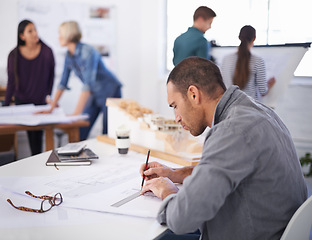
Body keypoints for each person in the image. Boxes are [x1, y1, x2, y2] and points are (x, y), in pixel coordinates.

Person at [140, 57, 307, 240]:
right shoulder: (258, 111)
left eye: (175, 106)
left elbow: (182, 219)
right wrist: (175, 173)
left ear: (193, 94)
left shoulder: (231, 131)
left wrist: (167, 191)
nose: (177, 117)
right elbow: (230, 170)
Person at [42, 21, 122, 140]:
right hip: (94, 94)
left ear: (68, 34)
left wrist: (75, 115)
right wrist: (51, 107)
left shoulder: (88, 52)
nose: (58, 37)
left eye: (60, 33)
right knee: (80, 132)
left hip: (110, 91)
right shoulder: (69, 56)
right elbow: (63, 83)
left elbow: (87, 85)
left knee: (107, 133)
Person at [4, 19, 55, 155]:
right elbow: (11, 82)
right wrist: (6, 106)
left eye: (35, 29)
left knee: (37, 140)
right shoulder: (13, 55)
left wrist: (49, 96)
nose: (35, 33)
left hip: (40, 102)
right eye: (30, 31)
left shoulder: (47, 52)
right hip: (22, 103)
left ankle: (38, 164)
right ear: (22, 36)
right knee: (26, 136)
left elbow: (51, 77)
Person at [221, 25, 276, 101]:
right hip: (251, 109)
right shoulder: (258, 61)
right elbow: (263, 91)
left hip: (230, 108)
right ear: (254, 38)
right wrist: (269, 85)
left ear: (239, 37)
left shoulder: (226, 59)